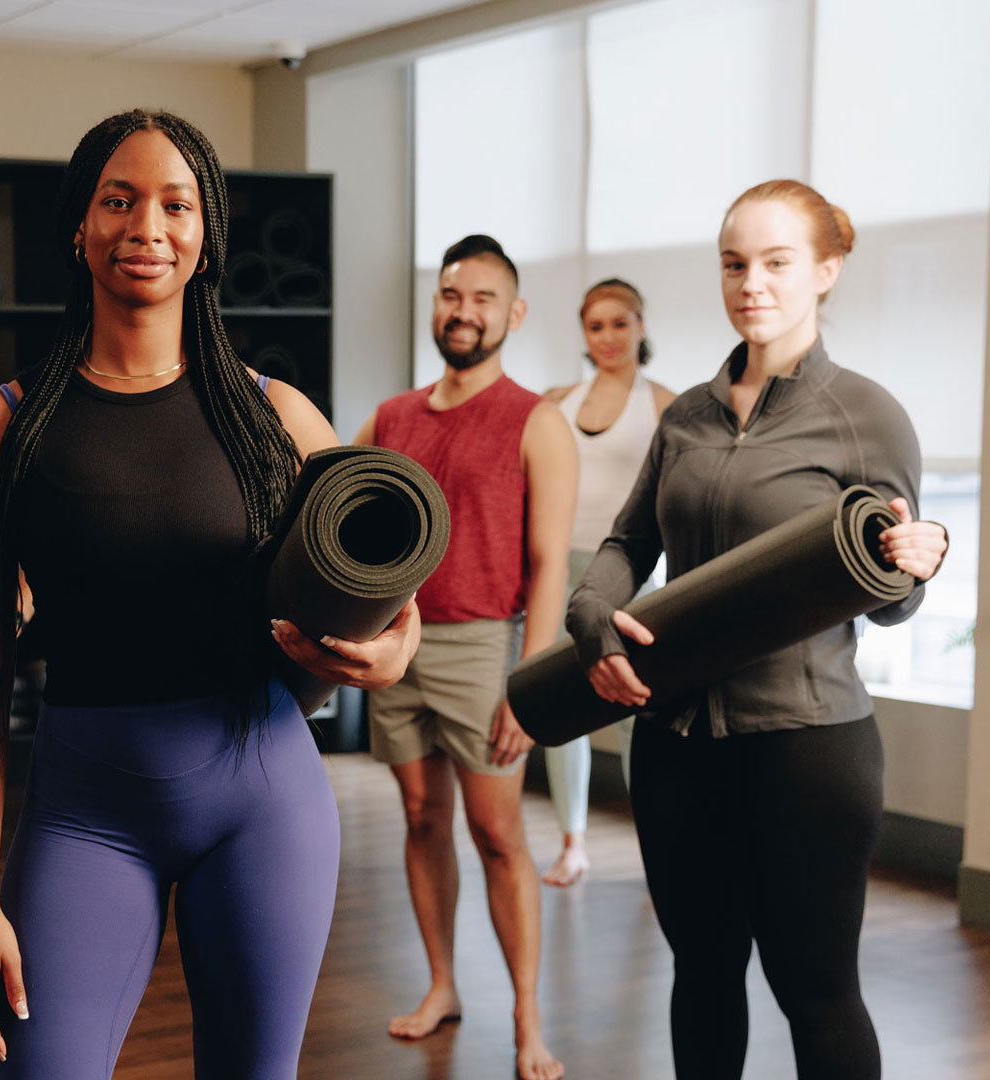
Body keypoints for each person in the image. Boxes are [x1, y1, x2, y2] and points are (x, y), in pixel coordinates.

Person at [0, 108, 419, 1079]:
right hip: (86, 809)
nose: (146, 227)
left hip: (265, 801)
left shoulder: (277, 417)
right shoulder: (3, 430)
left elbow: (386, 600)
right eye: (118, 200)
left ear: (206, 237)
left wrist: (389, 650)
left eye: (175, 203)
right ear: (79, 226)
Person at [568, 180, 948, 1079]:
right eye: (735, 263)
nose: (753, 284)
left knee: (814, 990)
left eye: (777, 263)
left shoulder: (866, 414)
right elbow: (629, 541)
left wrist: (914, 562)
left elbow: (890, 600)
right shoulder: (687, 417)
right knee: (701, 974)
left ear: (826, 270)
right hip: (675, 744)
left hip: (807, 749)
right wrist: (592, 619)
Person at [355, 234, 570, 1080]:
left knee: (496, 832)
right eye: (451, 295)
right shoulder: (393, 416)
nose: (464, 311)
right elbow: (343, 513)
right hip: (392, 641)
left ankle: (527, 1020)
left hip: (485, 647)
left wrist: (532, 682)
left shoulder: (536, 420)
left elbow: (551, 562)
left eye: (483, 298)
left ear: (512, 315)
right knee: (420, 818)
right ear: (435, 306)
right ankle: (442, 984)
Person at [535, 279, 677, 887]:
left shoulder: (669, 405)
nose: (609, 337)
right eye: (596, 326)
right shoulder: (554, 401)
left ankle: (660, 846)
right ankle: (573, 843)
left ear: (641, 327)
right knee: (567, 706)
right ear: (584, 335)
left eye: (621, 324)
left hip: (631, 576)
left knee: (638, 710)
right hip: (561, 570)